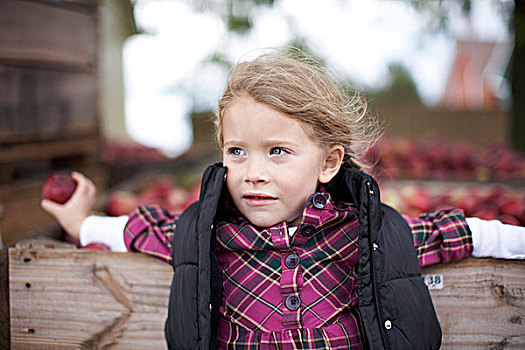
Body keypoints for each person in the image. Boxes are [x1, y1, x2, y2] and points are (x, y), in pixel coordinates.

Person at [42, 50, 525, 349]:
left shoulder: (369, 232)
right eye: (237, 152)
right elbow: (139, 229)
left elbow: (457, 233)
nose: (253, 173)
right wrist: (82, 221)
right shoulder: (206, 231)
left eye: (278, 152)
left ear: (329, 163)